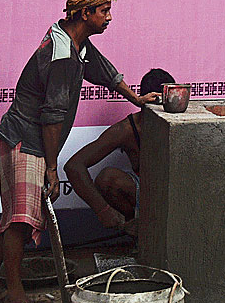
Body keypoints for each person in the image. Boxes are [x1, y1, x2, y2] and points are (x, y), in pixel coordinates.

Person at [0, 0, 158, 303]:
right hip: (23, 141)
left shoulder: (74, 40)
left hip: (27, 141)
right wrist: (52, 168)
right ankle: (14, 294)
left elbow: (105, 71)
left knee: (14, 217)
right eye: (104, 11)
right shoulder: (63, 56)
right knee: (20, 221)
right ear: (85, 14)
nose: (109, 17)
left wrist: (136, 98)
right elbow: (53, 115)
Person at [65, 68, 176, 232]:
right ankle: (139, 231)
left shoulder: (182, 120)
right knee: (108, 178)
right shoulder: (127, 129)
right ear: (146, 102)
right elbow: (74, 166)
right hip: (146, 193)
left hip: (177, 192)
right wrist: (103, 210)